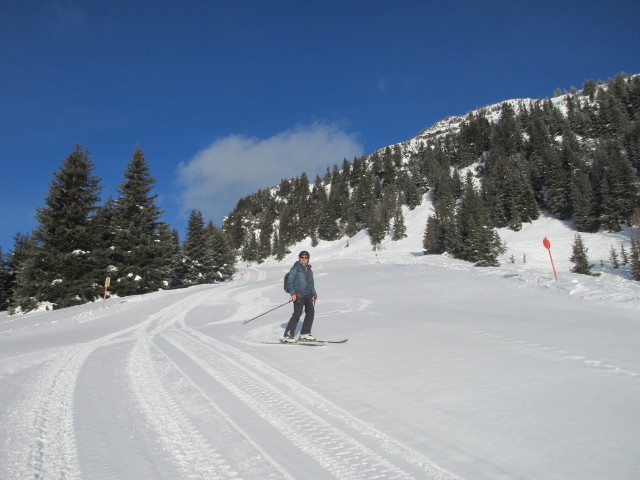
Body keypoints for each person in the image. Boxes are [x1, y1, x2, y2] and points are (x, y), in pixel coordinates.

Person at [281, 250, 318, 342]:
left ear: (308, 259)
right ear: (299, 258)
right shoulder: (295, 268)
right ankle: (288, 335)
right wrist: (293, 294)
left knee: (310, 313)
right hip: (298, 295)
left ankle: (305, 333)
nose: (304, 259)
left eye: (306, 258)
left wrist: (314, 294)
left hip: (308, 295)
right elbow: (290, 282)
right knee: (297, 314)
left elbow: (311, 284)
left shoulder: (309, 270)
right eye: (302, 257)